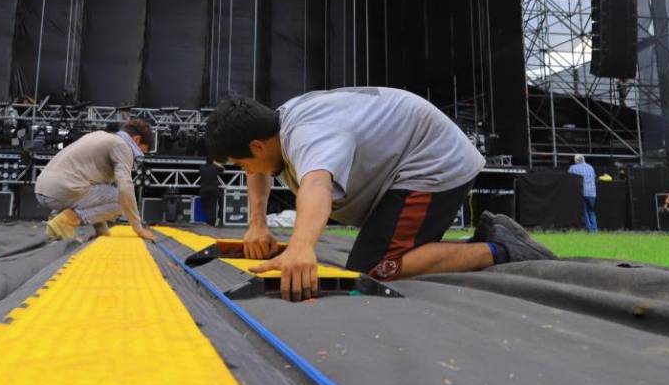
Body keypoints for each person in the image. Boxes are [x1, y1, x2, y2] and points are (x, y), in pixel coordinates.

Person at [206, 89, 556, 302]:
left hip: (432, 163)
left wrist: (301, 247)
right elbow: (261, 171)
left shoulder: (308, 134)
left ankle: (503, 249)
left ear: (256, 144)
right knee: (380, 253)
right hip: (406, 162)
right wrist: (257, 225)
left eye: (242, 163)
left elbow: (316, 185)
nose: (247, 172)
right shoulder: (275, 128)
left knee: (374, 269)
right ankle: (485, 237)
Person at [35, 118, 158, 243]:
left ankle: (56, 219)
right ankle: (66, 221)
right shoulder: (122, 146)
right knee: (122, 200)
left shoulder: (99, 136)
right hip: (63, 191)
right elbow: (125, 189)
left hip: (43, 191)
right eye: (142, 151)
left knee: (108, 192)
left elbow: (97, 195)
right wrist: (138, 228)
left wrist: (102, 231)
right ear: (136, 139)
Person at [569, 153, 598, 233]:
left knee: (584, 211)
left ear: (576, 160)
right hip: (592, 192)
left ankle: (589, 230)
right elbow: (594, 177)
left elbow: (569, 178)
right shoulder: (590, 167)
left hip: (582, 191)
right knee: (591, 211)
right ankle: (595, 229)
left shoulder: (573, 168)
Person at [198, 160, 224, 227]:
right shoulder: (215, 167)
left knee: (206, 206)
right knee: (213, 205)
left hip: (204, 189)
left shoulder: (202, 167)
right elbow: (222, 169)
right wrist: (216, 163)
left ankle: (209, 220)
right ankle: (211, 221)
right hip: (214, 189)